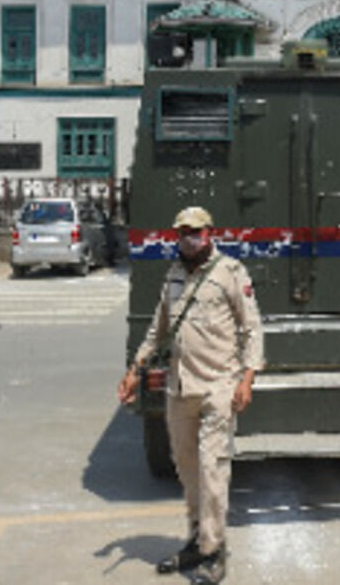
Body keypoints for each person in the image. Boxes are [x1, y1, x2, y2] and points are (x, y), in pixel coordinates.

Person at [119, 206, 263, 585]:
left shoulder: (231, 272)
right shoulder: (174, 276)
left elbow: (253, 329)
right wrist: (136, 369)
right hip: (180, 386)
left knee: (212, 467)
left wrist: (247, 379)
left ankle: (214, 550)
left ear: (210, 233)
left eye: (195, 231)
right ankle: (199, 539)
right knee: (187, 468)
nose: (189, 238)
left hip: (219, 385)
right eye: (183, 232)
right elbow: (157, 329)